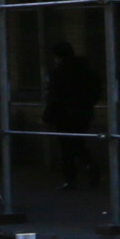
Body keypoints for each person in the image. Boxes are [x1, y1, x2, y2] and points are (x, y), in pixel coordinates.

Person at [43, 41, 100, 189]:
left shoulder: (59, 73)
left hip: (64, 116)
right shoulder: (86, 70)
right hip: (83, 114)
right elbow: (96, 90)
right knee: (79, 143)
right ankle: (89, 165)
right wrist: (87, 104)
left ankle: (71, 179)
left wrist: (48, 117)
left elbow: (55, 97)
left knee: (66, 148)